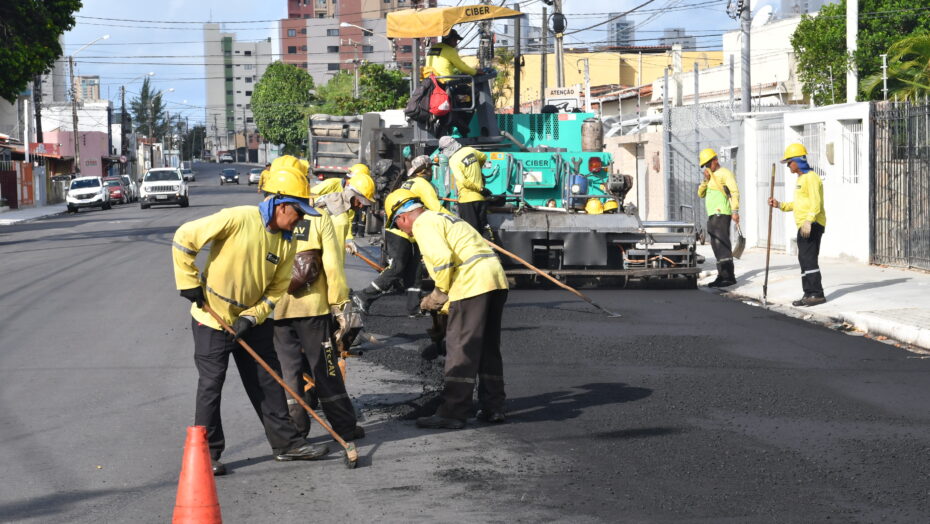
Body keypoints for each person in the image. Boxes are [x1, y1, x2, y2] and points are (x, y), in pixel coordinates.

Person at [172, 155, 330, 476]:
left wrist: (250, 318)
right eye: (298, 212)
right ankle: (207, 453)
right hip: (211, 317)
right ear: (281, 205)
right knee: (211, 385)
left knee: (267, 381)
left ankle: (286, 445)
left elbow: (276, 291)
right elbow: (184, 237)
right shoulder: (238, 218)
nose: (299, 220)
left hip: (250, 321)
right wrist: (188, 283)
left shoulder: (287, 243)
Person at [386, 189, 509, 429]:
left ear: (403, 217)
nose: (402, 231)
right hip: (495, 280)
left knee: (460, 347)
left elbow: (443, 260)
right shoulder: (444, 218)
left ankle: (452, 412)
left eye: (398, 225)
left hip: (473, 282)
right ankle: (493, 406)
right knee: (487, 346)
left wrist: (438, 294)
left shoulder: (423, 224)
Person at [273, 197, 365, 442]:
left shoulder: (267, 218)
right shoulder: (318, 217)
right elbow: (332, 266)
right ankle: (344, 428)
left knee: (288, 372)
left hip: (277, 311)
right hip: (312, 310)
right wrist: (339, 304)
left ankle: (295, 432)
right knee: (326, 368)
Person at [353, 156, 449, 315]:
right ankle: (364, 296)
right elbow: (436, 208)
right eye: (431, 169)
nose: (432, 172)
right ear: (425, 171)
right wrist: (456, 221)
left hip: (408, 230)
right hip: (402, 229)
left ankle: (414, 307)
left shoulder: (408, 182)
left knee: (415, 269)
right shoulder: (423, 184)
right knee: (398, 268)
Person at [769, 143, 827, 306]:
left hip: (813, 224)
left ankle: (816, 293)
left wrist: (809, 220)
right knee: (804, 258)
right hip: (804, 224)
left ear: (797, 160)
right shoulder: (801, 179)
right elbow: (799, 203)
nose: (788, 166)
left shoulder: (811, 178)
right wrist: (780, 205)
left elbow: (816, 202)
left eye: (789, 162)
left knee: (808, 258)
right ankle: (808, 293)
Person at [697, 148, 739, 288]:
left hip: (722, 213)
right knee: (715, 246)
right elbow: (700, 194)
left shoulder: (725, 173)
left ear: (715, 160)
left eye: (709, 164)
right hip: (712, 215)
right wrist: (705, 180)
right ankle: (721, 276)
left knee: (722, 245)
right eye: (705, 166)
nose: (708, 167)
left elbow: (734, 192)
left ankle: (729, 277)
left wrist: (735, 211)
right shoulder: (709, 177)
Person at [439, 136, 490, 237]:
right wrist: (478, 171)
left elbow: (462, 180)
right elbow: (484, 157)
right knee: (483, 229)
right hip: (480, 198)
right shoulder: (470, 150)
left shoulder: (453, 160)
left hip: (466, 200)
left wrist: (478, 188)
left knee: (471, 233)